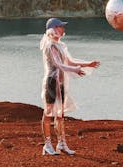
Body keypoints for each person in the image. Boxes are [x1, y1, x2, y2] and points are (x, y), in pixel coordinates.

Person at [40, 18, 100, 156]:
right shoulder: (50, 46)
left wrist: (87, 64)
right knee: (48, 112)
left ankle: (61, 144)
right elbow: (58, 65)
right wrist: (76, 70)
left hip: (60, 83)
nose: (63, 29)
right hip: (51, 82)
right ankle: (47, 144)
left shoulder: (60, 45)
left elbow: (69, 61)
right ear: (53, 29)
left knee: (60, 115)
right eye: (60, 27)